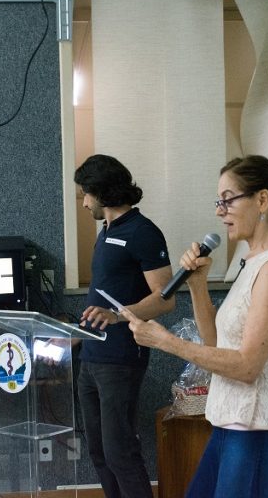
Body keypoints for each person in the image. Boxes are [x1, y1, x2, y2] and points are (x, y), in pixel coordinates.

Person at [122, 155, 268, 498]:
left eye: (228, 199)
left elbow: (248, 366)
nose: (220, 211)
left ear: (262, 200)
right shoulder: (253, 262)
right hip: (231, 423)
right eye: (218, 201)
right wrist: (197, 284)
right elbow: (215, 344)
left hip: (257, 428)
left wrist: (166, 341)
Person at [74, 153, 175, 498]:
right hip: (91, 355)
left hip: (120, 359)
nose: (84, 202)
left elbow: (166, 298)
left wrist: (118, 315)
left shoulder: (143, 232)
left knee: (120, 453)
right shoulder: (107, 230)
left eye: (86, 193)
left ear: (103, 192)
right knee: (99, 452)